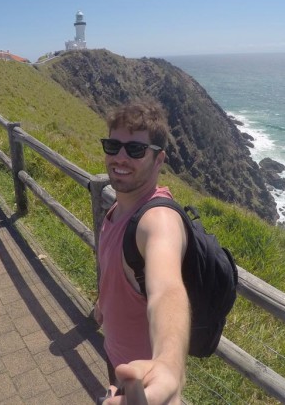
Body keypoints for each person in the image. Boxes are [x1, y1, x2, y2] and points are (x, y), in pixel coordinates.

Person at [95, 101, 190, 405]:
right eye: (113, 145)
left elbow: (167, 291)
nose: (120, 157)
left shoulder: (157, 220)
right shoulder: (118, 206)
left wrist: (170, 367)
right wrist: (104, 303)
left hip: (144, 378)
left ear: (158, 159)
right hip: (117, 356)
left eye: (135, 150)